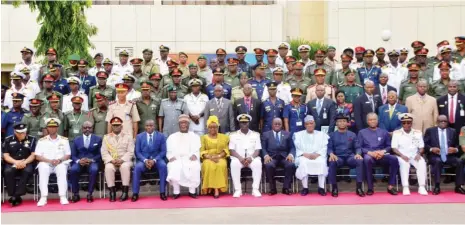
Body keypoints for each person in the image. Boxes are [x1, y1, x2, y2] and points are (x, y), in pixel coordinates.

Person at [357, 113, 399, 195]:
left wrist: (382, 152)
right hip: (369, 155)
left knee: (394, 159)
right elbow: (359, 147)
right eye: (370, 119)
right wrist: (369, 153)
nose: (372, 121)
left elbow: (389, 146)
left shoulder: (384, 132)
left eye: (374, 119)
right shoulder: (362, 132)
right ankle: (370, 188)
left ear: (377, 120)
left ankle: (391, 186)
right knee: (367, 159)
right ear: (367, 121)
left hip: (382, 155)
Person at [424, 115, 465, 195]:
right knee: (438, 161)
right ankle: (437, 186)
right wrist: (432, 149)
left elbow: (457, 145)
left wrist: (455, 149)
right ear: (437, 122)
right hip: (435, 155)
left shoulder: (452, 131)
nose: (443, 122)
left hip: (449, 156)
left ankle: (458, 186)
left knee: (459, 161)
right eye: (441, 121)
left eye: (445, 121)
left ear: (447, 122)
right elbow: (425, 145)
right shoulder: (430, 131)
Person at [35, 118, 71, 206]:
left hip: (60, 162)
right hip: (46, 163)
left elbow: (68, 155)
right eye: (50, 127)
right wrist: (49, 160)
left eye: (54, 127)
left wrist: (59, 160)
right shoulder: (41, 141)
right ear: (47, 128)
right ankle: (43, 197)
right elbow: (37, 156)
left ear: (57, 128)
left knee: (62, 169)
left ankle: (62, 196)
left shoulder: (64, 140)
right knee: (43, 168)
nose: (52, 129)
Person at [327, 115, 364, 197]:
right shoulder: (332, 135)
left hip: (350, 157)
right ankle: (334, 188)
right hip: (338, 157)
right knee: (332, 161)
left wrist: (358, 154)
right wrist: (331, 154)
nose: (342, 123)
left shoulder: (352, 134)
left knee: (359, 161)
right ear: (336, 123)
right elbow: (329, 148)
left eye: (344, 121)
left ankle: (359, 187)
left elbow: (357, 147)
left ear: (347, 123)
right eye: (339, 121)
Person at [391, 113, 428, 196]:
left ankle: (421, 186)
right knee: (404, 164)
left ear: (411, 123)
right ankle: (405, 186)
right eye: (404, 123)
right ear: (401, 123)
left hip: (414, 155)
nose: (406, 124)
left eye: (408, 122)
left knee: (422, 163)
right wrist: (402, 155)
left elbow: (421, 147)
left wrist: (419, 153)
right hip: (402, 155)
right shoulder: (396, 133)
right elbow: (394, 148)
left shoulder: (418, 133)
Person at [166, 115, 201, 199]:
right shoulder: (172, 137)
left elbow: (197, 150)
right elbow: (169, 151)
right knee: (173, 166)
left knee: (194, 166)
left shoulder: (195, 136)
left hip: (189, 159)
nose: (183, 125)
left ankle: (192, 191)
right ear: (179, 124)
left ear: (189, 124)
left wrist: (194, 155)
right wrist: (170, 157)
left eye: (185, 123)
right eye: (181, 123)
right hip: (177, 158)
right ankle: (176, 191)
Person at [132, 120, 168, 202]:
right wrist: (145, 160)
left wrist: (154, 160)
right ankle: (135, 193)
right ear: (145, 127)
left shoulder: (161, 136)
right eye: (147, 125)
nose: (149, 127)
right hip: (143, 160)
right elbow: (137, 152)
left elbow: (163, 151)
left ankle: (162, 192)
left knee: (163, 166)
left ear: (154, 126)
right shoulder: (139, 136)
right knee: (137, 168)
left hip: (157, 160)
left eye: (151, 125)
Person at [101, 117, 135, 202]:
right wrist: (111, 160)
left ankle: (125, 192)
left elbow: (131, 152)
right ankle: (112, 192)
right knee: (108, 168)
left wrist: (122, 160)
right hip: (112, 160)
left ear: (121, 126)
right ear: (111, 127)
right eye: (114, 125)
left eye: (118, 125)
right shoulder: (106, 138)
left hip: (124, 161)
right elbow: (104, 152)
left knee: (124, 167)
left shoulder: (128, 137)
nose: (116, 127)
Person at [2, 123, 36, 206]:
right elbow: (6, 155)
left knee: (27, 171)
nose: (22, 134)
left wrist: (24, 162)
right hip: (12, 162)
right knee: (8, 171)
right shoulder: (8, 140)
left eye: (24, 132)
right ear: (15, 132)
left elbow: (33, 154)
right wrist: (15, 162)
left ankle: (16, 195)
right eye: (20, 133)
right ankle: (14, 195)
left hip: (27, 162)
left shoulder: (32, 139)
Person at [294, 115, 329, 196]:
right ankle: (305, 188)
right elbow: (297, 148)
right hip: (304, 156)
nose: (309, 125)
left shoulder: (322, 134)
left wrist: (317, 154)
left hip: (318, 155)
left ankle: (321, 188)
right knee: (303, 163)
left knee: (322, 163)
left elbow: (324, 147)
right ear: (305, 125)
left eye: (311, 123)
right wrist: (304, 154)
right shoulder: (299, 135)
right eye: (307, 124)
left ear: (314, 124)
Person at [229, 114, 263, 198]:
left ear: (249, 123)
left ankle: (255, 189)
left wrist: (251, 158)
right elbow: (231, 150)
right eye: (242, 122)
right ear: (239, 123)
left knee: (258, 164)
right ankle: (238, 190)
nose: (244, 124)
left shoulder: (256, 134)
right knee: (234, 164)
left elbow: (257, 150)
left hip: (252, 158)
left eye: (246, 122)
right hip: (238, 158)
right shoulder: (233, 135)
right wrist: (240, 158)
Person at [70, 121, 102, 203]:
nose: (87, 129)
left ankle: (90, 194)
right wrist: (78, 161)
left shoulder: (98, 139)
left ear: (92, 128)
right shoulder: (76, 140)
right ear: (82, 129)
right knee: (73, 170)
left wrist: (91, 160)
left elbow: (100, 154)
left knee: (94, 169)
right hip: (80, 162)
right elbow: (73, 155)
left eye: (89, 128)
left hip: (92, 161)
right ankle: (75, 194)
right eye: (85, 128)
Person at [261, 118, 295, 195]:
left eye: (279, 124)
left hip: (284, 157)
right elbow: (263, 148)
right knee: (269, 165)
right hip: (271, 157)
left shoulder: (287, 134)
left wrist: (290, 154)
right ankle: (273, 189)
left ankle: (286, 188)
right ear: (272, 125)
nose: (277, 125)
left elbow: (292, 147)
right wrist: (266, 156)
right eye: (275, 124)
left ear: (282, 125)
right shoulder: (266, 134)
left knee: (290, 164)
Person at [200, 116, 230, 198]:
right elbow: (202, 151)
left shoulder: (224, 137)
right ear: (207, 128)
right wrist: (210, 157)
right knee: (209, 166)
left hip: (220, 157)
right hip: (208, 158)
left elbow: (226, 150)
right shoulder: (203, 138)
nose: (213, 129)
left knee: (220, 165)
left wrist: (219, 156)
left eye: (215, 127)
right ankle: (212, 188)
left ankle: (216, 189)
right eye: (210, 127)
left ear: (218, 127)